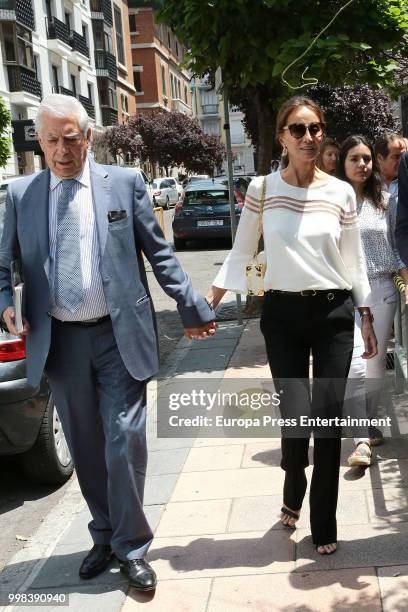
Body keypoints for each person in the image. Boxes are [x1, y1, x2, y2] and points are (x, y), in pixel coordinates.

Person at [0, 95, 216, 590]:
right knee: (87, 447)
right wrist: (5, 307)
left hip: (119, 336)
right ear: (40, 140)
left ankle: (132, 546)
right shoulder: (22, 194)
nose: (60, 151)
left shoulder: (124, 183)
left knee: (124, 441)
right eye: (50, 140)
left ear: (88, 136)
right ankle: (103, 534)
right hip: (62, 343)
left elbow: (159, 255)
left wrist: (191, 306)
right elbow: (2, 266)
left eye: (69, 139)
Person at [205, 96, 377, 555]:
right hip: (281, 316)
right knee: (294, 417)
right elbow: (243, 252)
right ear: (281, 136)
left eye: (315, 129)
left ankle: (323, 524)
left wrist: (366, 316)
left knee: (327, 419)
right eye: (298, 129)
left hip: (334, 316)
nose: (308, 137)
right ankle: (292, 484)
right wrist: (211, 298)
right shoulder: (262, 189)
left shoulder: (340, 192)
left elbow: (353, 261)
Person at [337, 135, 408, 466]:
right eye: (355, 158)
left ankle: (367, 419)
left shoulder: (386, 199)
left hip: (382, 288)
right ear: (343, 163)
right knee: (354, 361)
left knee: (375, 363)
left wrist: (403, 282)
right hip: (344, 294)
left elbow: (397, 245)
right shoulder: (333, 199)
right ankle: (360, 438)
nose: (362, 164)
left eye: (366, 158)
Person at [374, 132, 406, 198]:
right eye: (396, 157)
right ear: (380, 158)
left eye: (404, 155)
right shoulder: (367, 184)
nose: (402, 160)